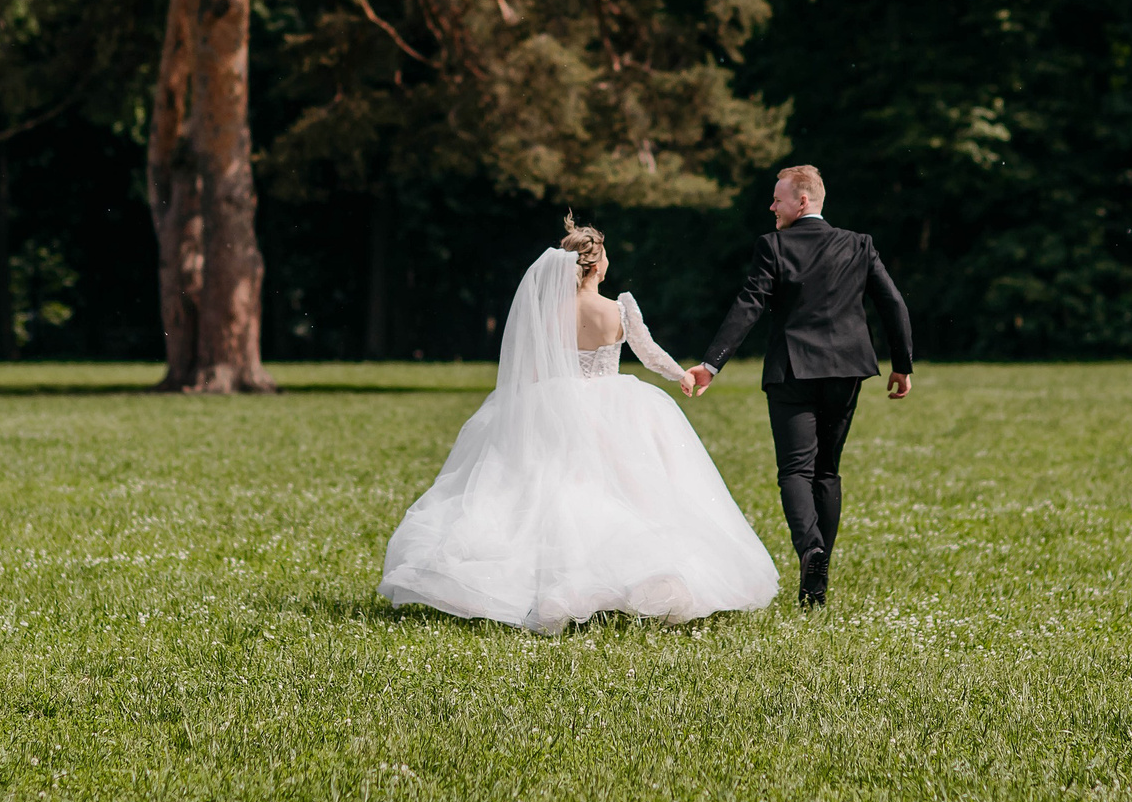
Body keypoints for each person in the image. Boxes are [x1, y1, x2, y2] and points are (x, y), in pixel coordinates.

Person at [378, 215, 780, 634]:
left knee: (549, 493)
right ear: (597, 265)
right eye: (604, 255)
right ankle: (628, 577)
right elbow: (647, 352)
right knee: (630, 493)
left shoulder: (547, 313)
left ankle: (551, 582)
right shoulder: (619, 307)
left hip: (554, 405)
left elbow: (530, 367)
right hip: (615, 409)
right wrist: (681, 373)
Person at [684, 164, 914, 609]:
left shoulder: (773, 245)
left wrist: (711, 364)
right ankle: (816, 586)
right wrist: (901, 365)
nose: (771, 206)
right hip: (847, 371)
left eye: (778, 198)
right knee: (826, 471)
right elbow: (893, 303)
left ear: (802, 201)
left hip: (792, 371)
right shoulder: (859, 245)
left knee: (795, 471)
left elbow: (748, 305)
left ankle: (810, 551)